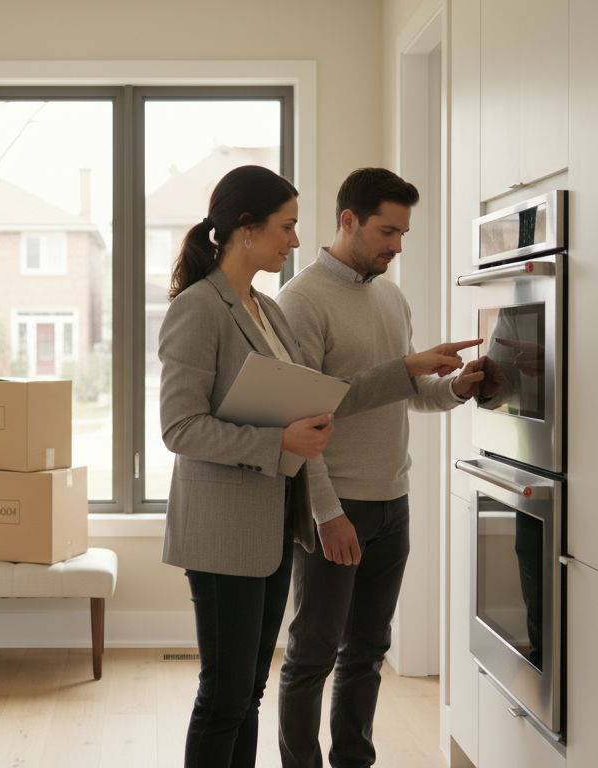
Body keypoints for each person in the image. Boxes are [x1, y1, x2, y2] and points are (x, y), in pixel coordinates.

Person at [158, 165, 479, 768]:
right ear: (245, 228)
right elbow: (179, 428)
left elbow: (323, 398)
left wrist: (411, 370)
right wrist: (281, 444)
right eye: (286, 226)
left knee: (247, 694)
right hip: (224, 531)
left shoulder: (264, 309)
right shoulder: (200, 309)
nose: (296, 239)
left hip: (270, 525)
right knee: (225, 697)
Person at [275, 167, 490, 768]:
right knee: (312, 654)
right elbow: (301, 416)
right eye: (387, 232)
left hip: (393, 503)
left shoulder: (391, 297)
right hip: (336, 506)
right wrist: (326, 513)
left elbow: (408, 391)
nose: (397, 246)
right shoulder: (301, 302)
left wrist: (456, 388)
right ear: (349, 221)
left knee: (368, 651)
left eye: (402, 234)